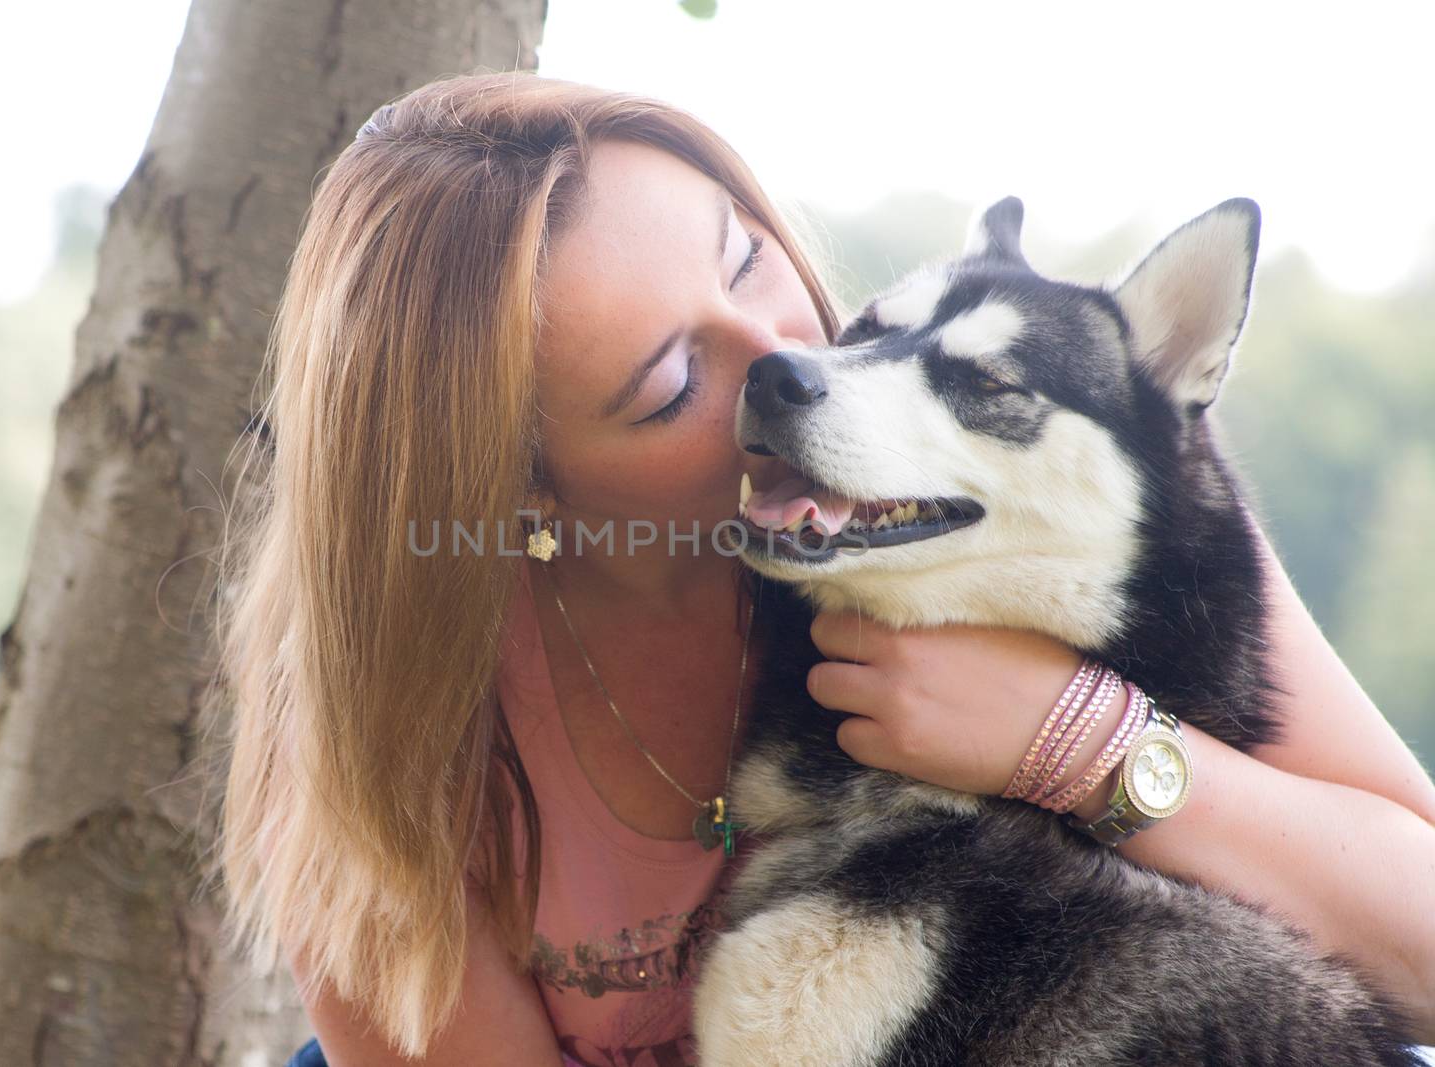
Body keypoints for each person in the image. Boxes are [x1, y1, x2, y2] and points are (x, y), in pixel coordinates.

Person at [213, 71, 1435, 1067]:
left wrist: (1072, 738)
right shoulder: (386, 725)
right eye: (672, 384)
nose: (794, 361)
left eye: (745, 260)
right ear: (521, 487)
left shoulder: (1044, 488)